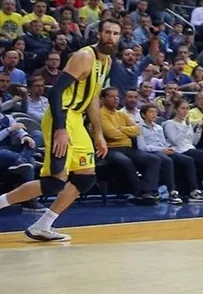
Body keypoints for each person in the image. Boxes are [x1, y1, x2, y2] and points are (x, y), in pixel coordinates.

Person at [0, 19, 119, 241]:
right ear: (98, 34)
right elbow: (54, 93)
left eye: (115, 33)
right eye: (107, 32)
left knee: (85, 178)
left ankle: (42, 225)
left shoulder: (107, 62)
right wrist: (60, 129)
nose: (111, 37)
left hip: (77, 120)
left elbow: (93, 98)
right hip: (61, 116)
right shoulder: (85, 57)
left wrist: (99, 134)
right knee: (55, 181)